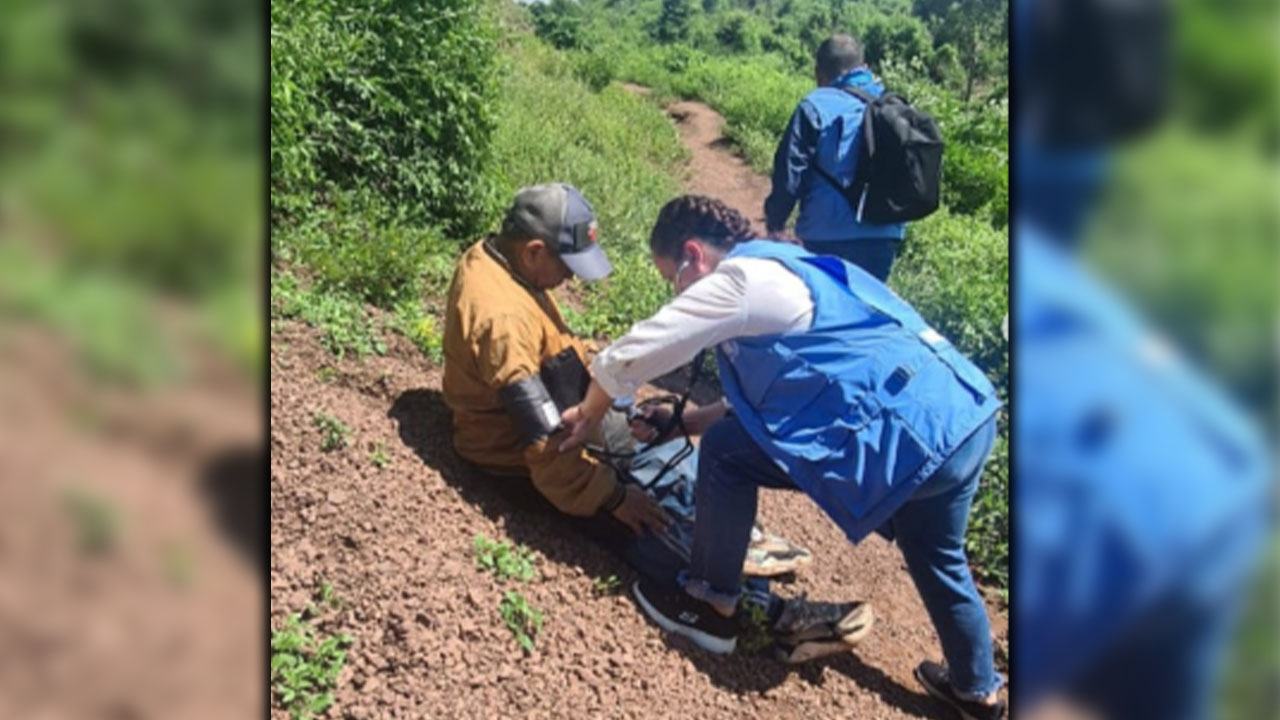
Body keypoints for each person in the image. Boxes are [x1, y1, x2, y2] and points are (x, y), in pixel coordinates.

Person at [561, 194, 1006, 719]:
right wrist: (684, 423)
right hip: (962, 416)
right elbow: (782, 393)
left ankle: (709, 605)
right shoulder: (787, 266)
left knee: (726, 454)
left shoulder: (740, 280)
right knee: (938, 555)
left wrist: (590, 412)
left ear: (692, 255)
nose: (675, 292)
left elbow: (641, 348)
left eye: (671, 278)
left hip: (908, 436)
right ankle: (977, 691)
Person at [440, 183, 870, 663]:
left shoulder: (508, 263)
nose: (571, 281)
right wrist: (616, 497)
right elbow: (546, 446)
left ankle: (733, 540)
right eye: (567, 267)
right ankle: (774, 615)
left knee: (665, 447)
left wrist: (612, 401)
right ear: (537, 250)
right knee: (647, 526)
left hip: (567, 419)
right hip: (518, 462)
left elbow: (555, 350)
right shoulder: (501, 320)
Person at [763, 33, 906, 282]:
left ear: (818, 74)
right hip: (884, 238)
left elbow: (789, 174)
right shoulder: (893, 106)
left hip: (824, 236)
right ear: (865, 68)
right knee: (866, 312)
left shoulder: (814, 106)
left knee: (825, 312)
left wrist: (775, 223)